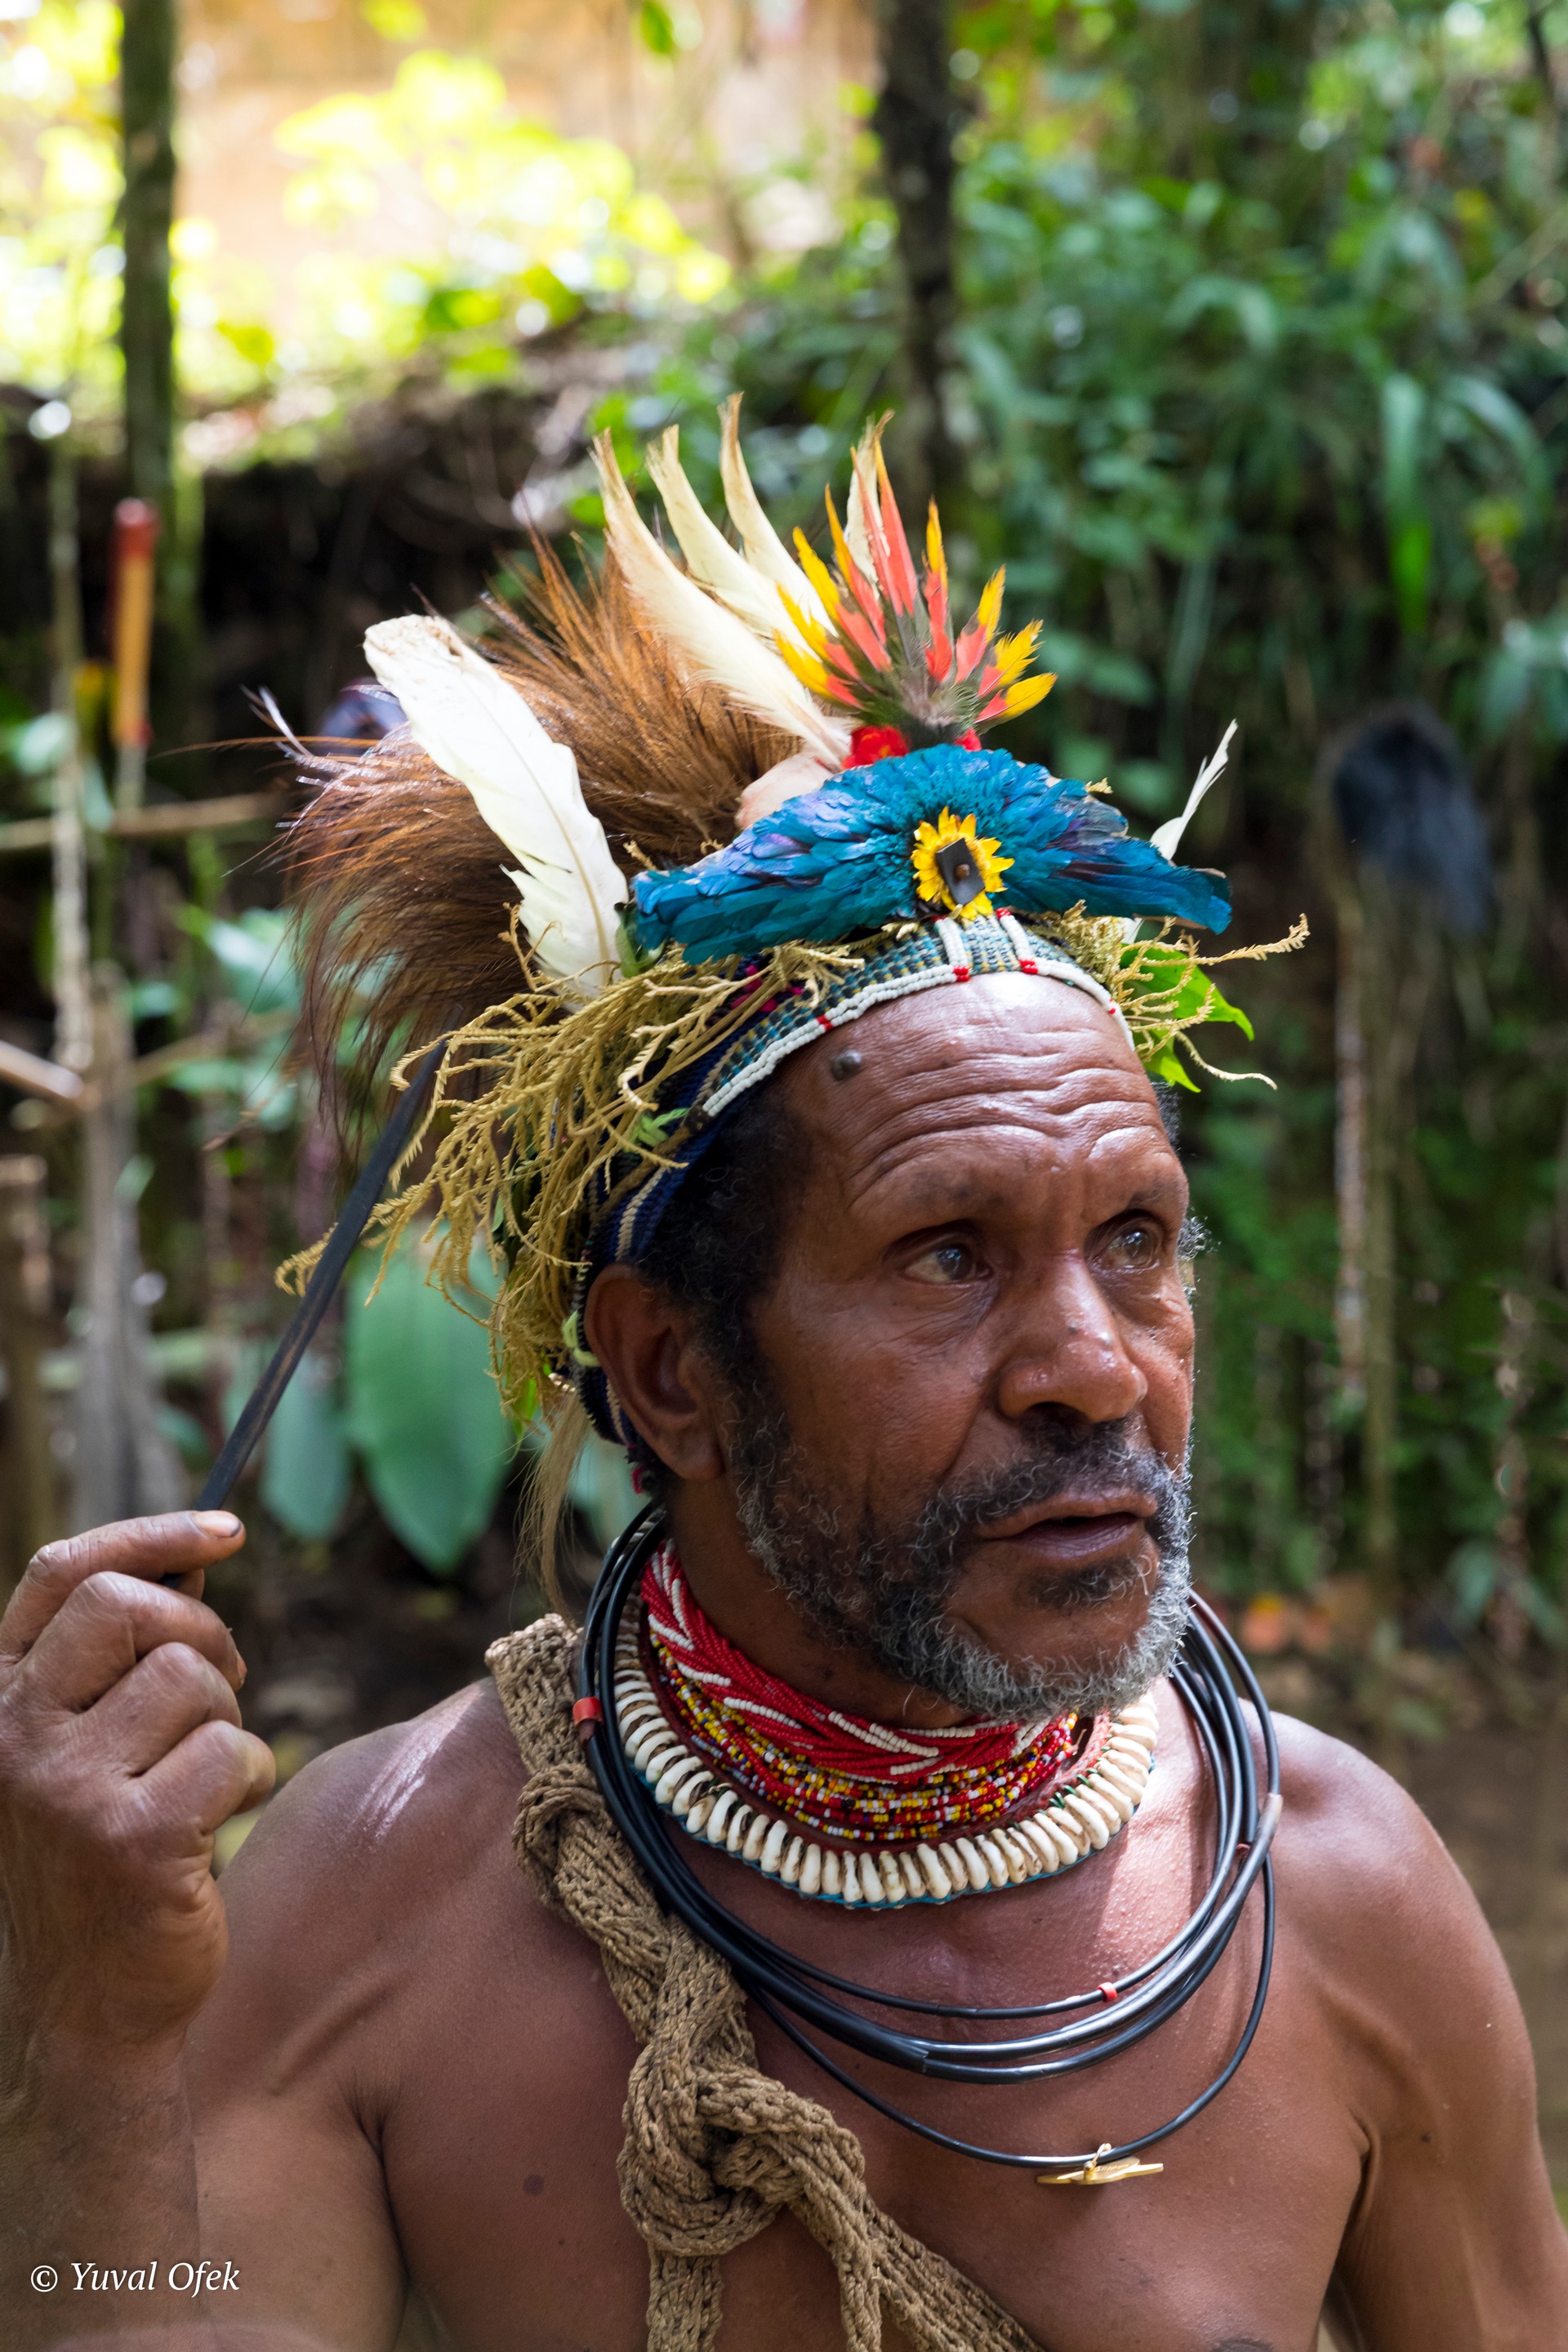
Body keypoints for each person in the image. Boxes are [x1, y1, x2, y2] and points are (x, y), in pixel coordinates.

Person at [2, 412, 1563, 2352]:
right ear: (671, 1372)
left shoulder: (1337, 1898)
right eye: (947, 1255)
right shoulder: (379, 1904)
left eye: (1137, 1240)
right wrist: (94, 2045)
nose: (1095, 1369)